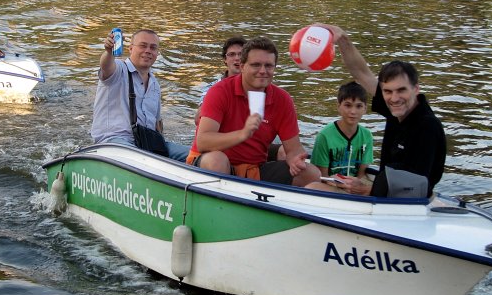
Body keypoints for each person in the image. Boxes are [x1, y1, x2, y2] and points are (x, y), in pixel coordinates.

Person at [316, 23, 446, 197]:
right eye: (388, 91)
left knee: (312, 189)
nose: (394, 98)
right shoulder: (396, 108)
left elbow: (416, 187)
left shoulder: (427, 127)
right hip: (386, 190)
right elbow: (361, 73)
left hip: (405, 203)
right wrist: (342, 38)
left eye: (401, 90)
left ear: (416, 89)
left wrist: (368, 190)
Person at [186, 36, 320, 186]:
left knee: (311, 173)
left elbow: (293, 149)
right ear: (242, 66)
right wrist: (243, 133)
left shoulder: (282, 99)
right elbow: (203, 142)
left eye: (268, 66)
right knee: (217, 161)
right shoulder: (219, 91)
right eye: (256, 65)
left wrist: (295, 159)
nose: (263, 71)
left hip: (253, 168)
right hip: (210, 162)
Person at [90, 29, 190, 162]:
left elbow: (157, 124)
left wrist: (161, 148)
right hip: (114, 142)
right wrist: (109, 52)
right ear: (131, 48)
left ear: (157, 53)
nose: (148, 50)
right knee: (137, 157)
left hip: (147, 144)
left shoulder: (154, 85)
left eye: (153, 48)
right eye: (143, 46)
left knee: (196, 155)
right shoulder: (119, 69)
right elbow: (106, 66)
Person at [307, 81, 374, 195]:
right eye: (348, 105)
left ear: (365, 109)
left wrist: (357, 184)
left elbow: (361, 174)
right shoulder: (325, 136)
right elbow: (322, 176)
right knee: (312, 187)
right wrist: (337, 183)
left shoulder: (367, 136)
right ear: (339, 106)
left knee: (378, 184)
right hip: (333, 186)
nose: (353, 111)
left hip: (354, 187)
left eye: (358, 106)